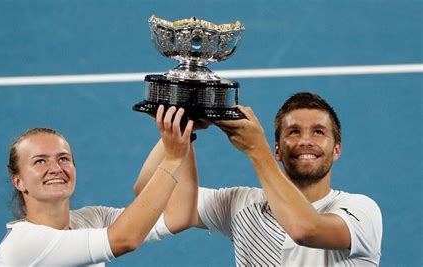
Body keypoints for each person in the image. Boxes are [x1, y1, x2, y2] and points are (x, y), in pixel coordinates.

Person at [134, 92, 383, 266]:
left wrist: (257, 150)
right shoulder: (242, 206)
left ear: (336, 149)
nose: (306, 140)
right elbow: (151, 191)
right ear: (278, 150)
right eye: (293, 132)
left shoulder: (361, 211)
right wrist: (183, 130)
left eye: (318, 132)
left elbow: (305, 229)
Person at [0, 105, 196, 266]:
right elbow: (125, 239)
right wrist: (172, 159)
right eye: (40, 161)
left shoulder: (92, 219)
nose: (56, 168)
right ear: (18, 181)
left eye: (63, 158)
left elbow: (179, 216)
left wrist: (182, 130)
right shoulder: (22, 245)